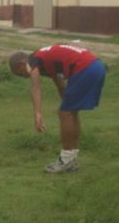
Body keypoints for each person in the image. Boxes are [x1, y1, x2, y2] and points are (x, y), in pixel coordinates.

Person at [9, 45, 106, 173]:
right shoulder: (45, 58)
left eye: (21, 73)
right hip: (96, 66)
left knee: (65, 113)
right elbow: (59, 83)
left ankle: (65, 161)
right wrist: (66, 103)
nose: (24, 76)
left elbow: (35, 87)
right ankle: (71, 159)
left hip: (84, 68)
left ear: (21, 64)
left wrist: (38, 113)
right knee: (70, 113)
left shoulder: (33, 61)